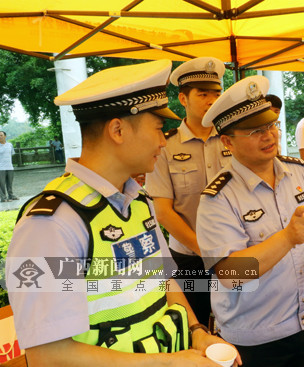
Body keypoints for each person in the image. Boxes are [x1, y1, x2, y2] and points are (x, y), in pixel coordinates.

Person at [6, 60, 239, 367]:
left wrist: (197, 332)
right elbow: (48, 356)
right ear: (117, 130)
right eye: (157, 128)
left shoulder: (139, 203)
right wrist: (171, 362)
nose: (161, 140)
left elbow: (165, 279)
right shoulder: (50, 224)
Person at [196, 75, 304, 367]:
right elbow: (231, 275)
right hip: (256, 336)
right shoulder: (218, 198)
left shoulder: (298, 172)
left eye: (270, 125)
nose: (269, 136)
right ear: (227, 141)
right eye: (254, 131)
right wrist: (288, 238)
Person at [145, 57, 228, 327]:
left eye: (216, 93)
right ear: (183, 98)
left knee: (240, 323)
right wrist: (205, 250)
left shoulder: (233, 138)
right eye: (202, 94)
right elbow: (163, 212)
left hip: (235, 250)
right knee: (195, 325)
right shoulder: (164, 146)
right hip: (188, 258)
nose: (211, 100)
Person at [0, 130, 17, 202]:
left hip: (10, 167)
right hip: (1, 168)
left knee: (9, 183)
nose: (0, 137)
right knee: (1, 184)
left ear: (5, 136)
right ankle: (3, 198)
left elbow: (12, 154)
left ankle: (11, 195)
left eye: (1, 135)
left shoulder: (10, 145)